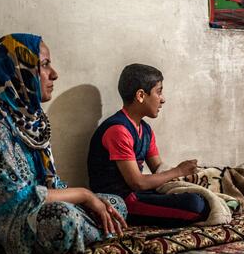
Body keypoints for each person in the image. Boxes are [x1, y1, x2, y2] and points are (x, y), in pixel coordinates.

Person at [0, 34, 128, 254]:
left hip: (17, 216)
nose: (54, 74)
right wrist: (84, 194)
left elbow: (49, 187)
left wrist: (91, 201)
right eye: (44, 65)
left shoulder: (29, 119)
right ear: (17, 71)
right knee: (63, 220)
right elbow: (21, 199)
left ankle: (60, 241)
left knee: (114, 205)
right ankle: (64, 238)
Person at [87, 64, 210, 227]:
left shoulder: (145, 129)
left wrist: (191, 176)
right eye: (159, 92)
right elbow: (137, 183)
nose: (163, 99)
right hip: (121, 200)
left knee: (203, 194)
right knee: (195, 205)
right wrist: (178, 171)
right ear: (140, 95)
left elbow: (158, 169)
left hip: (140, 194)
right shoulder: (118, 130)